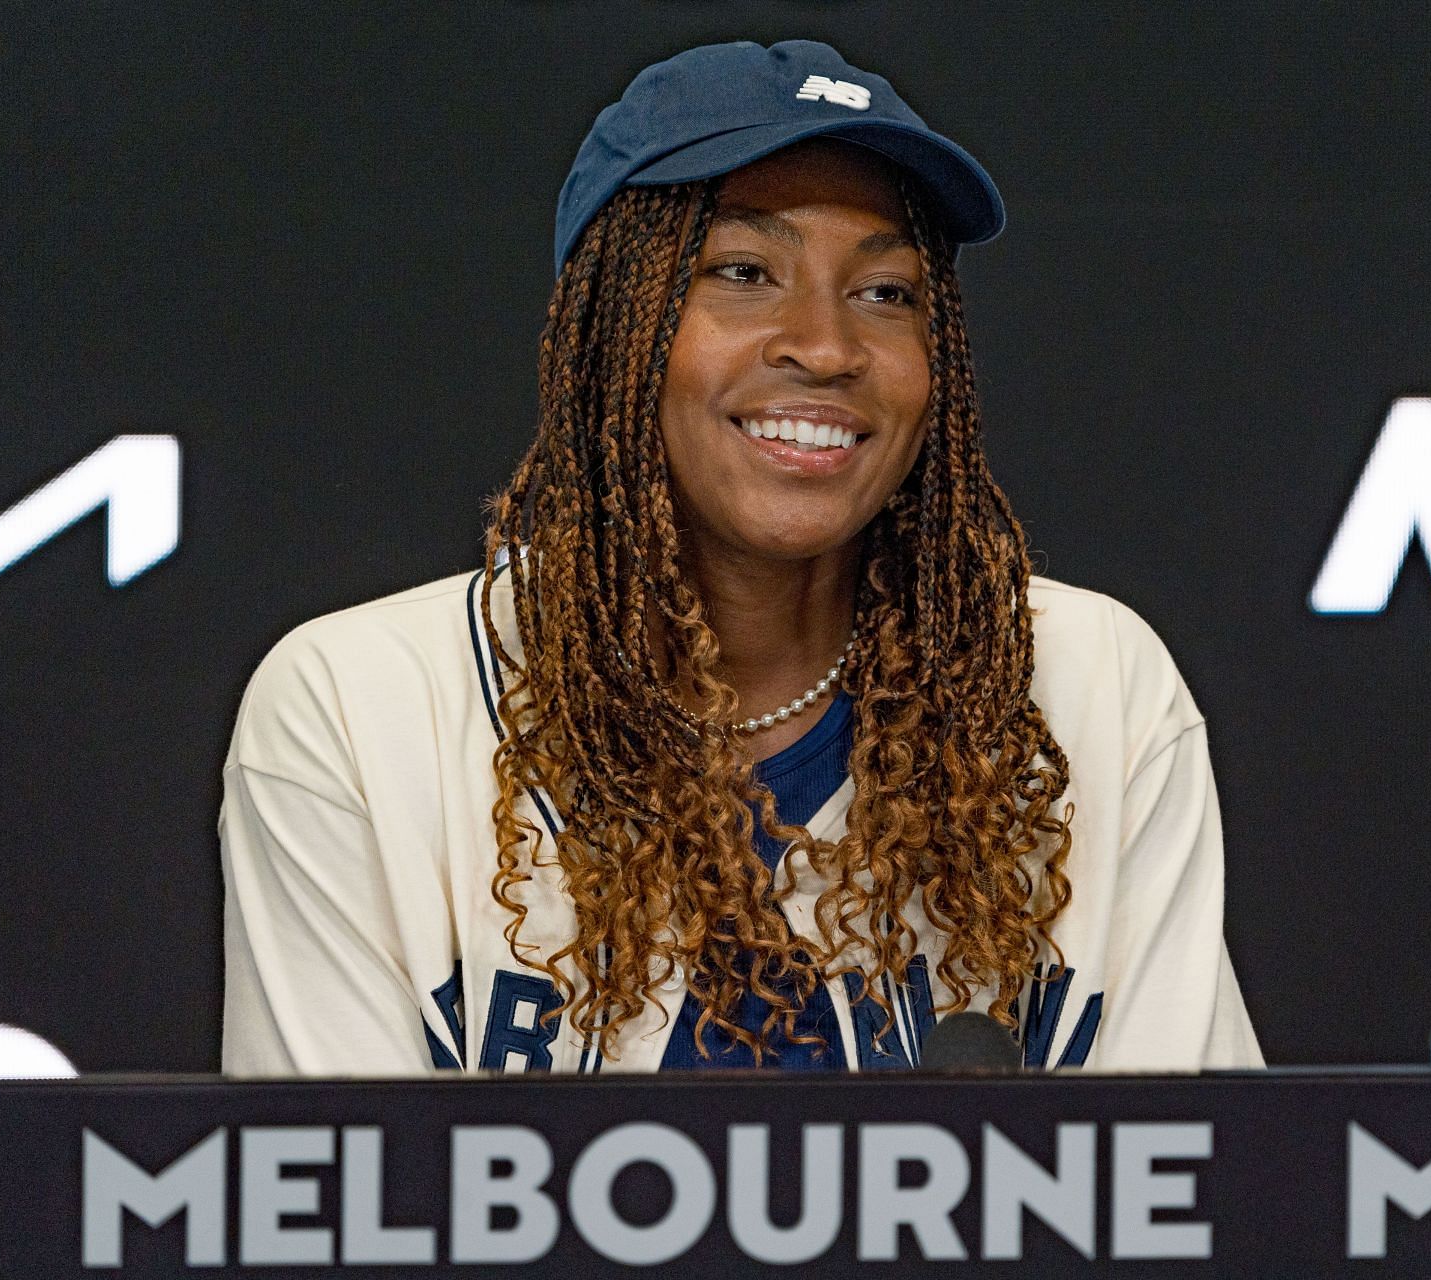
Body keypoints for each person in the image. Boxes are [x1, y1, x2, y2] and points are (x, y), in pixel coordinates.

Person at [220, 39, 1261, 1075]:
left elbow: (1197, 1200)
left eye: (886, 292)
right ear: (610, 331)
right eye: (743, 272)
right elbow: (330, 1218)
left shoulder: (1090, 683)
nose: (826, 345)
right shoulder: (355, 706)